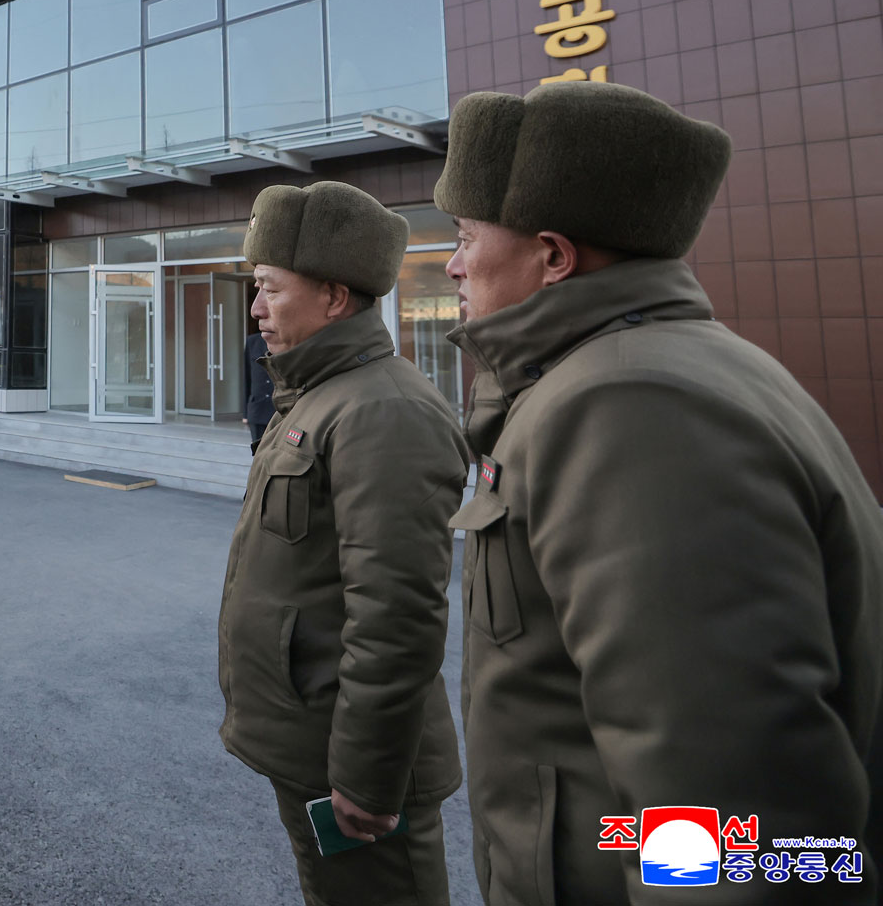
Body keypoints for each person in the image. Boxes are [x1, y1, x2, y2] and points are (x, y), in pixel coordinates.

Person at [436, 81, 883, 904]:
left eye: (465, 236)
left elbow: (734, 815)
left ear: (554, 256)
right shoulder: (659, 367)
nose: (454, 263)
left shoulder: (627, 407)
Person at [217, 181, 470, 906]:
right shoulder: (316, 394)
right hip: (313, 750)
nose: (256, 308)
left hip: (352, 769)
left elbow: (396, 614)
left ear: (334, 297)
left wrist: (365, 773)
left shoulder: (382, 408)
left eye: (269, 289)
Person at [242, 324, 273, 448]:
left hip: (278, 409)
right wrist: (245, 413)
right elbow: (247, 377)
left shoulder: (285, 341)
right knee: (258, 452)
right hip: (257, 409)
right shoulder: (252, 341)